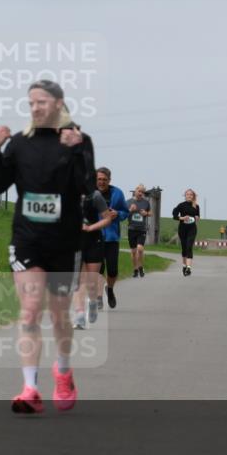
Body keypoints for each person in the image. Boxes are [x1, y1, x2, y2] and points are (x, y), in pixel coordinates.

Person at [0, 80, 94, 414]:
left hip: (63, 242)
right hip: (27, 240)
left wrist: (76, 150)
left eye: (42, 102)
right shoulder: (20, 144)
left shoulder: (78, 139)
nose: (35, 108)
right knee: (30, 309)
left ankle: (62, 370)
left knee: (59, 313)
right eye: (31, 102)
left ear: (59, 103)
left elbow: (87, 187)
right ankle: (29, 387)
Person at [71, 124, 117, 329]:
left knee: (90, 281)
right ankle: (79, 315)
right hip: (75, 241)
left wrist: (92, 227)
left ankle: (92, 303)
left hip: (94, 240)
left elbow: (107, 218)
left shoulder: (95, 196)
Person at [96, 167, 129, 309]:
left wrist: (117, 214)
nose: (101, 182)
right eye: (99, 179)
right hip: (94, 237)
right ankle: (98, 296)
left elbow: (125, 212)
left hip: (112, 237)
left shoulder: (117, 193)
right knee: (98, 270)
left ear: (109, 180)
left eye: (104, 179)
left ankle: (109, 289)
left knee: (113, 270)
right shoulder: (90, 193)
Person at [171, 189, 201, 277]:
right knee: (184, 249)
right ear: (185, 196)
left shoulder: (196, 206)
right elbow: (174, 215)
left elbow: (198, 217)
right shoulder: (181, 205)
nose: (189, 196)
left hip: (192, 229)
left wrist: (197, 218)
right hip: (182, 229)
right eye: (187, 194)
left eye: (191, 195)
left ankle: (188, 268)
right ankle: (184, 266)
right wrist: (182, 218)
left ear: (193, 196)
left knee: (189, 247)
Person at [126, 184, 152, 278]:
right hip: (132, 229)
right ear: (135, 191)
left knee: (140, 249)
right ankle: (135, 269)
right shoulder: (128, 202)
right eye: (139, 191)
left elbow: (150, 213)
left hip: (142, 229)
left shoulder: (146, 203)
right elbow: (124, 214)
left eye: (142, 192)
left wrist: (146, 213)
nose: (141, 193)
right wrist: (130, 210)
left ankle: (141, 267)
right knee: (133, 251)